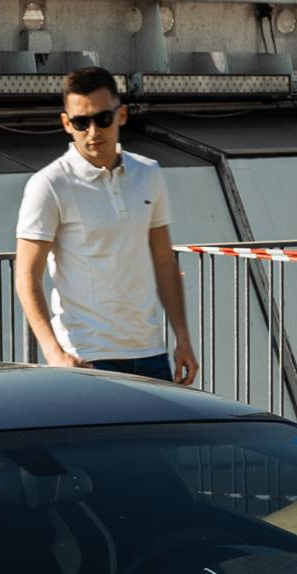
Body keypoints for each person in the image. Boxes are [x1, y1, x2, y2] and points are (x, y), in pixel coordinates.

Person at [14, 64, 199, 384]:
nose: (93, 131)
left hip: (150, 351)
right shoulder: (49, 184)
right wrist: (54, 353)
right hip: (87, 355)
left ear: (121, 115)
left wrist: (182, 338)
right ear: (66, 124)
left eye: (103, 119)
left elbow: (164, 261)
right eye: (81, 122)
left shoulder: (149, 173)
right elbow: (27, 275)